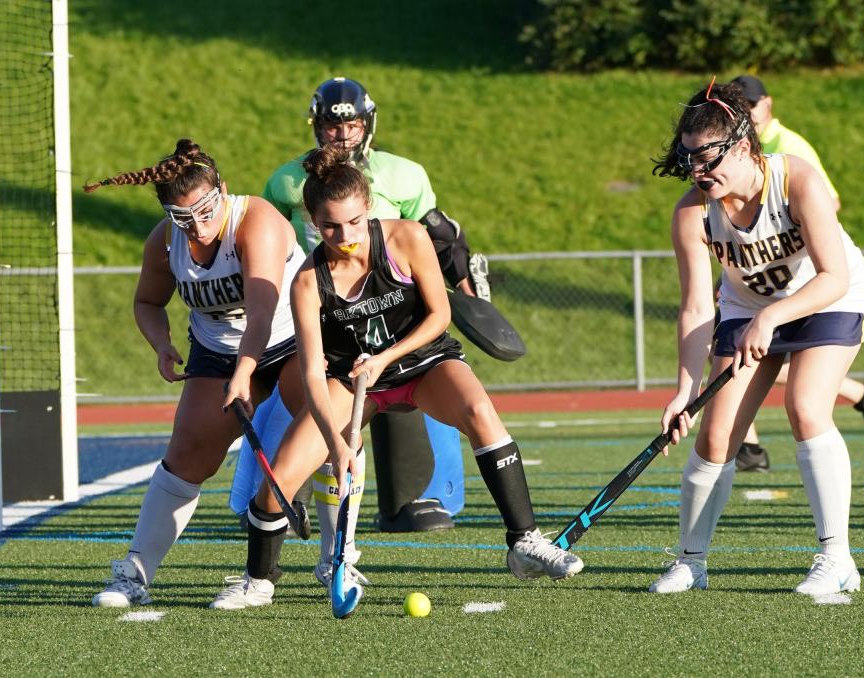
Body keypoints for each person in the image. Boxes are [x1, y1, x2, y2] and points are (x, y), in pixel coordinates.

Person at [208, 145, 583, 611]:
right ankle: (258, 581)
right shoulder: (308, 282)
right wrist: (338, 442)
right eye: (328, 226)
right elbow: (310, 369)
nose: (343, 236)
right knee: (279, 480)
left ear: (368, 208)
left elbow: (439, 314)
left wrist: (386, 357)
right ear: (311, 220)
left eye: (352, 222)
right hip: (349, 381)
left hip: (423, 361)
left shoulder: (406, 237)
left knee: (480, 411)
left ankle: (524, 542)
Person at [240, 78, 488, 548]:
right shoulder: (287, 180)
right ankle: (275, 498)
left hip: (388, 309)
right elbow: (264, 240)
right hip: (317, 312)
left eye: (351, 124)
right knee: (302, 411)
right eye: (333, 127)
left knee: (414, 399)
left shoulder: (404, 174)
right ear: (317, 128)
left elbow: (439, 236)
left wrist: (467, 287)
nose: (342, 135)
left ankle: (411, 497)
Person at [649, 79, 864, 596]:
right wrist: (685, 390)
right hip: (747, 306)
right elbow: (697, 306)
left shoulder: (797, 180)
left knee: (806, 406)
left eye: (707, 160)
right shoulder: (692, 212)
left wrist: (771, 320)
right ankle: (691, 562)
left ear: (745, 147)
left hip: (827, 297)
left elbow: (833, 276)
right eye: (689, 161)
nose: (698, 173)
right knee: (715, 436)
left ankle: (836, 557)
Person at [85, 139, 306, 607]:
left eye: (206, 210)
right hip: (217, 348)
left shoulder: (257, 222)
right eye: (182, 218)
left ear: (222, 191)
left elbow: (262, 314)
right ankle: (135, 574)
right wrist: (162, 345)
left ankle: (337, 559)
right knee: (188, 452)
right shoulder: (165, 242)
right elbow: (147, 302)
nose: (198, 227)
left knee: (318, 431)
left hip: (293, 337)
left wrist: (246, 372)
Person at [729, 75, 864, 471]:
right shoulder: (738, 152)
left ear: (767, 104)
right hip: (765, 281)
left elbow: (827, 200)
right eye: (741, 106)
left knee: (804, 398)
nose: (749, 112)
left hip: (806, 278)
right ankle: (747, 443)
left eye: (753, 104)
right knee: (739, 351)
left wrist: (789, 240)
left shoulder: (788, 146)